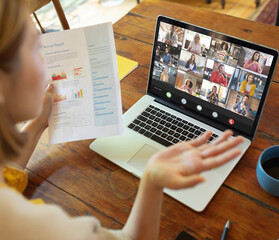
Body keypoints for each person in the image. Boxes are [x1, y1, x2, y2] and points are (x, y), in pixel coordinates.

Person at [0, 1, 244, 239]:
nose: (45, 59)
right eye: (35, 48)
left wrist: (41, 121)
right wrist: (152, 179)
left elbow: (5, 173)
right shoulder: (37, 227)